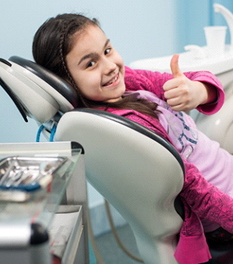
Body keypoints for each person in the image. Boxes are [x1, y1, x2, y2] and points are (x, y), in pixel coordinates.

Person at [32, 13, 233, 263]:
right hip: (223, 218)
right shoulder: (128, 126)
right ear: (67, 82)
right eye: (90, 64)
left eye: (107, 50)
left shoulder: (127, 82)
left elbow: (188, 80)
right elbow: (196, 192)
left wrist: (197, 91)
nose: (110, 66)